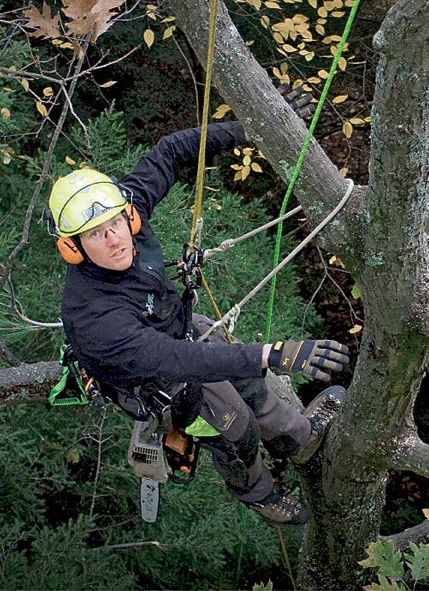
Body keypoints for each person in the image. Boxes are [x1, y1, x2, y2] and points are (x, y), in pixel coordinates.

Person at [47, 118, 349, 526]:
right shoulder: (92, 316)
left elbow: (170, 151)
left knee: (249, 383)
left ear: (128, 216)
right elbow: (175, 360)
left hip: (177, 328)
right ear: (73, 248)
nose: (116, 239)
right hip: (161, 381)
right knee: (235, 431)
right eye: (96, 235)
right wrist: (274, 354)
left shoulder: (127, 215)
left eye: (117, 224)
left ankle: (298, 440)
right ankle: (257, 494)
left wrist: (249, 129)